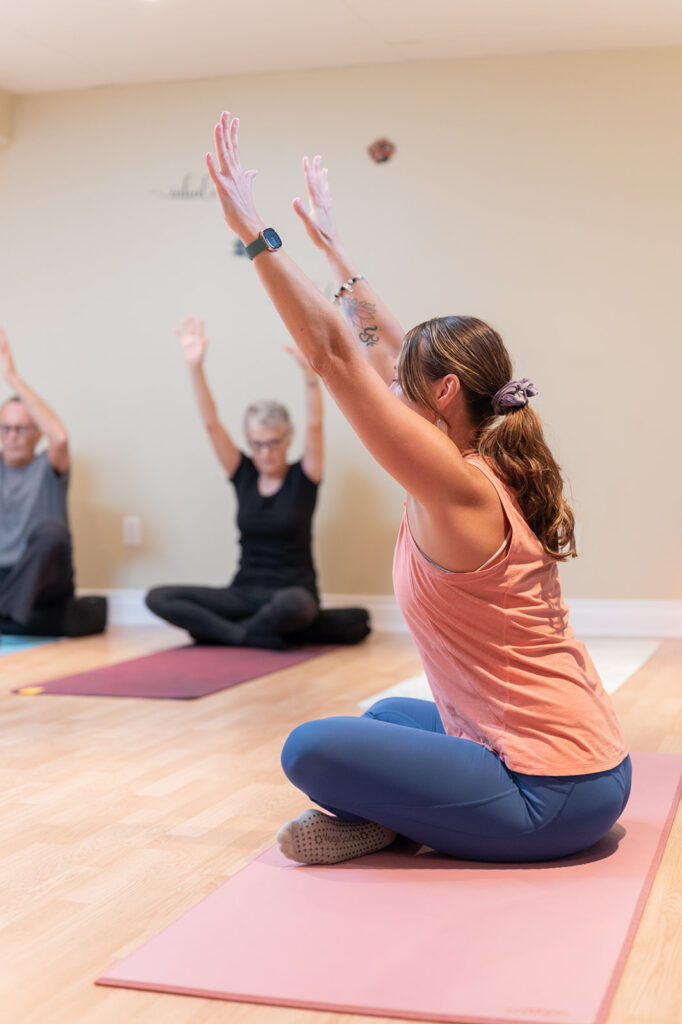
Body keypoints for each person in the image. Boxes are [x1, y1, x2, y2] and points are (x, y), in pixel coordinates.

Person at [205, 113, 630, 865]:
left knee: (311, 749)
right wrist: (335, 251)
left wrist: (256, 233)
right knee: (387, 716)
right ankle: (408, 816)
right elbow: (382, 345)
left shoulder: (455, 485)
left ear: (441, 393)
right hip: (592, 765)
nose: (388, 379)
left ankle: (408, 819)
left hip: (551, 796)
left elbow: (337, 353)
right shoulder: (482, 453)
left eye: (404, 382)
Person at [145, 316, 324, 649]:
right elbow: (211, 423)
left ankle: (221, 633)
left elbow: (315, 425)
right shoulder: (242, 472)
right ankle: (245, 635)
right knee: (159, 597)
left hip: (292, 594)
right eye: (257, 444)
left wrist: (310, 376)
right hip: (243, 592)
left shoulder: (305, 476)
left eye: (272, 443)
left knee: (295, 607)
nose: (265, 452)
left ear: (287, 441)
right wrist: (195, 367)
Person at [0, 327, 106, 637]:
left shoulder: (49, 466)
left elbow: (60, 436)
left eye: (21, 429)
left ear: (37, 433)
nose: (12, 437)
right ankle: (13, 618)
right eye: (5, 429)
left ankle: (8, 614)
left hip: (46, 580)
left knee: (52, 534)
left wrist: (12, 377)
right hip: (5, 577)